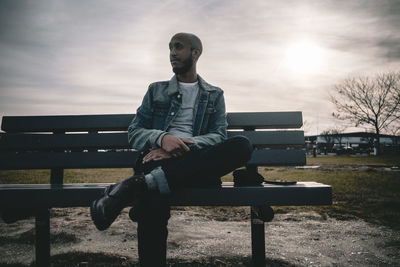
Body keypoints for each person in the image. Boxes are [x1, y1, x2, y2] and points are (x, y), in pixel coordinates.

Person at [90, 32, 253, 266]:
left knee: (242, 145)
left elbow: (219, 135)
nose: (172, 53)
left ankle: (137, 186)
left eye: (178, 47)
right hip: (160, 161)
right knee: (153, 201)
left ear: (195, 53)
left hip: (195, 161)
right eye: (170, 48)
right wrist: (163, 138)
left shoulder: (214, 94)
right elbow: (134, 131)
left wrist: (180, 147)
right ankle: (145, 186)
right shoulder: (156, 90)